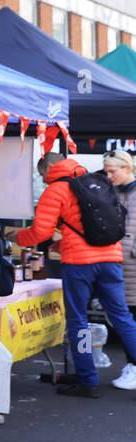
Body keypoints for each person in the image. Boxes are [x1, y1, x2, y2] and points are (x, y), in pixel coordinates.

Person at [12, 153, 136, 398]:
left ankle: (87, 379)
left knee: (78, 321)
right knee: (122, 317)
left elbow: (40, 232)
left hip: (79, 264)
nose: (43, 180)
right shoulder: (97, 181)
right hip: (111, 258)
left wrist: (16, 237)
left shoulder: (56, 190)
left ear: (49, 168)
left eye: (42, 174)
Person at [101, 148, 136, 390]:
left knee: (129, 319)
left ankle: (133, 367)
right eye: (106, 172)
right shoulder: (113, 191)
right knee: (127, 318)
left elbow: (129, 232)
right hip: (120, 264)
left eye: (112, 171)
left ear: (127, 168)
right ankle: (132, 365)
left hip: (129, 264)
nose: (109, 176)